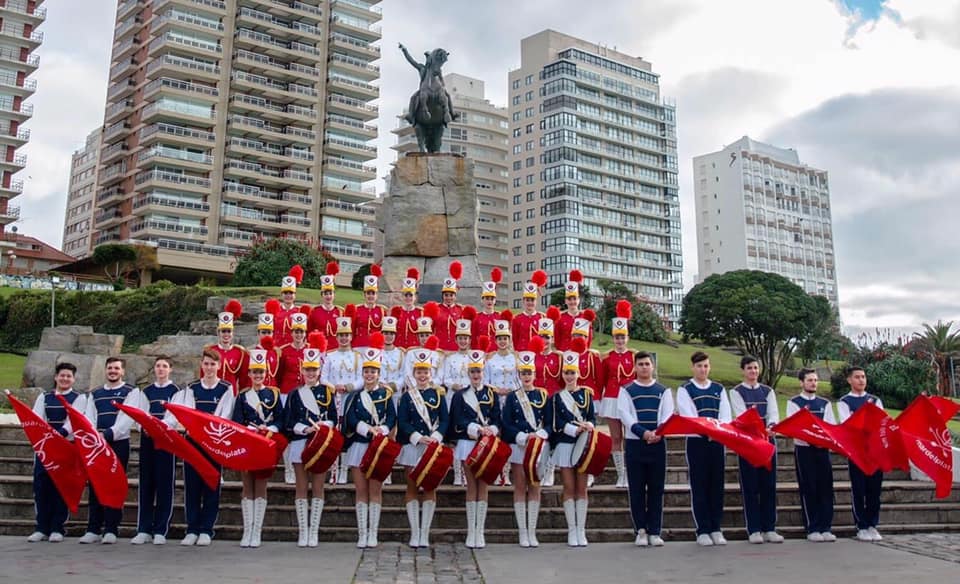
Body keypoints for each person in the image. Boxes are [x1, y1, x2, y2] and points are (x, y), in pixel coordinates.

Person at [171, 349, 236, 546]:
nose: (209, 368)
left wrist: (209, 432)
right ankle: (192, 529)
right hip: (193, 443)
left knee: (211, 485)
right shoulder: (191, 388)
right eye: (206, 364)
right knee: (192, 486)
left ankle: (207, 529)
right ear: (202, 365)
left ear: (219, 366)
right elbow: (188, 413)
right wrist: (196, 431)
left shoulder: (226, 388)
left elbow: (224, 416)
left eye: (212, 364)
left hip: (214, 443)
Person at [78, 357, 141, 545]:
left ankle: (111, 528)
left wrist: (108, 434)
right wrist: (94, 435)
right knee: (95, 484)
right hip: (97, 445)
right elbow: (89, 417)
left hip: (118, 443)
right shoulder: (95, 393)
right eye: (110, 368)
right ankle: (93, 528)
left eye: (116, 368)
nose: (113, 371)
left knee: (114, 485)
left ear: (123, 371)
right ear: (105, 370)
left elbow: (127, 417)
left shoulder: (131, 391)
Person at [27, 362, 91, 543]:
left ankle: (57, 527)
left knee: (62, 487)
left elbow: (75, 420)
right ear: (56, 377)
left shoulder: (79, 398)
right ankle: (41, 527)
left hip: (66, 447)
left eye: (69, 376)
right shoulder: (45, 397)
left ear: (73, 379)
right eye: (62, 375)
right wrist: (46, 437)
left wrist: (60, 434)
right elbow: (37, 417)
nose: (65, 379)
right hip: (45, 448)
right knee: (41, 487)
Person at [343, 339, 397, 548]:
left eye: (373, 371)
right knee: (361, 490)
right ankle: (362, 533)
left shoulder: (386, 395)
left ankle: (372, 532)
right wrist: (367, 429)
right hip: (359, 445)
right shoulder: (356, 397)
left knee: (375, 490)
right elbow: (352, 419)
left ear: (378, 373)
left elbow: (391, 417)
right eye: (366, 371)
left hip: (379, 445)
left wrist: (381, 430)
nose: (369, 375)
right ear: (362, 373)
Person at [617, 351, 674, 547]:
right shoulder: (626, 390)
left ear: (653, 366)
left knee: (657, 489)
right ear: (634, 367)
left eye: (647, 364)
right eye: (640, 364)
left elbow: (667, 416)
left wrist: (657, 432)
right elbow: (624, 414)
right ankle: (640, 529)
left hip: (658, 444)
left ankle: (655, 530)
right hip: (635, 443)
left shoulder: (663, 390)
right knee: (637, 488)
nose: (644, 367)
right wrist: (643, 433)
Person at [283, 347, 337, 547]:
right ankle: (302, 530)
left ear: (319, 371)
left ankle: (314, 530)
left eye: (314, 369)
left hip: (320, 443)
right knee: (301, 486)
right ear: (302, 370)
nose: (311, 373)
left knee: (318, 487)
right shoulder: (295, 394)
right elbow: (289, 421)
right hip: (300, 442)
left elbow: (332, 417)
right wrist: (304, 429)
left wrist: (324, 427)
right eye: (308, 369)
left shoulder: (327, 392)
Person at [676, 351, 732, 547]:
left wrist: (717, 430)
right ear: (693, 367)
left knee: (716, 485)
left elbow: (726, 415)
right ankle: (703, 529)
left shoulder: (718, 388)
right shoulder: (685, 389)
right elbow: (689, 416)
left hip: (717, 440)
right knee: (699, 485)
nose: (703, 369)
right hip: (697, 441)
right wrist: (706, 430)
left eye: (706, 366)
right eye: (699, 366)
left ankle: (716, 528)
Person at [397, 347, 449, 548]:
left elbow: (445, 419)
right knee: (411, 487)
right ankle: (414, 531)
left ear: (431, 374)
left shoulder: (438, 395)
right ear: (414, 374)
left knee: (429, 487)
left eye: (425, 371)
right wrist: (418, 437)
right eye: (419, 372)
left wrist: (435, 436)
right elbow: (402, 421)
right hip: (413, 445)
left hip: (432, 446)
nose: (422, 375)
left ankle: (424, 533)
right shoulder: (408, 396)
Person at [449, 350, 501, 549]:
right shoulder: (460, 395)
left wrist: (492, 429)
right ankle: (472, 530)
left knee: (484, 485)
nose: (476, 375)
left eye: (478, 371)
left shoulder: (491, 393)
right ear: (468, 373)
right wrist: (475, 428)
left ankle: (480, 531)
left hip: (487, 442)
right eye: (472, 371)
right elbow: (457, 418)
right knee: (472, 485)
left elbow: (497, 417)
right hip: (468, 443)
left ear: (483, 371)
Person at [232, 349, 284, 548]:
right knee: (247, 485)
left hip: (266, 442)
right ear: (249, 374)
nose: (257, 376)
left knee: (261, 485)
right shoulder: (244, 397)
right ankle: (247, 529)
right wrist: (249, 429)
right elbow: (237, 420)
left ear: (266, 373)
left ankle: (257, 531)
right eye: (254, 372)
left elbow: (280, 418)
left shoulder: (273, 394)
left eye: (261, 372)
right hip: (248, 442)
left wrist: (269, 428)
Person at [729, 355, 783, 544]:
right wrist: (756, 430)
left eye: (756, 368)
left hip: (767, 442)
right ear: (743, 370)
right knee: (750, 487)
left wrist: (771, 426)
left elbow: (773, 413)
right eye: (750, 368)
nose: (753, 371)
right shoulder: (736, 392)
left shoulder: (768, 391)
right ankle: (754, 529)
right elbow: (741, 416)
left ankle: (770, 527)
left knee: (768, 486)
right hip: (748, 443)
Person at [500, 351, 550, 548]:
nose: (527, 376)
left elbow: (549, 422)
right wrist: (522, 437)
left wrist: (540, 435)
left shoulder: (542, 395)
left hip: (537, 446)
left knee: (535, 486)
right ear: (519, 375)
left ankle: (532, 530)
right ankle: (523, 531)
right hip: (519, 445)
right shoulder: (513, 398)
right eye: (523, 373)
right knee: (520, 486)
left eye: (530, 372)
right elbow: (507, 422)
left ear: (535, 374)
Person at [131, 356, 180, 546]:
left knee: (165, 485)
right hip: (148, 440)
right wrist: (144, 425)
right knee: (146, 483)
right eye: (158, 366)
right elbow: (140, 413)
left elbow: (173, 416)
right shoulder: (147, 391)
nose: (161, 369)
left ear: (170, 369)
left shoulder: (176, 391)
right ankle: (144, 528)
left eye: (164, 366)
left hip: (166, 441)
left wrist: (157, 426)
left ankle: (160, 529)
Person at [550, 351, 596, 547]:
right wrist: (572, 429)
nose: (569, 376)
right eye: (566, 373)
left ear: (578, 373)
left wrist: (588, 426)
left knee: (582, 487)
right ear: (562, 375)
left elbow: (592, 417)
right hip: (566, 443)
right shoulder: (557, 397)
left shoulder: (587, 394)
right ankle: (571, 529)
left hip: (583, 445)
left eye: (572, 372)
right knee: (569, 487)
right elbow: (556, 422)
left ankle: (581, 529)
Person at [786, 368, 837, 543]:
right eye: (809, 380)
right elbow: (794, 426)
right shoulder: (794, 402)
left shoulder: (825, 403)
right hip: (804, 449)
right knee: (809, 487)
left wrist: (822, 440)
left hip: (822, 449)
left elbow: (830, 426)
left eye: (815, 380)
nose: (813, 383)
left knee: (825, 487)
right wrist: (810, 439)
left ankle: (826, 526)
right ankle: (812, 526)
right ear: (801, 382)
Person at [837, 365, 884, 542]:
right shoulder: (844, 402)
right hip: (857, 452)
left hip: (874, 452)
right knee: (859, 489)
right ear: (850, 380)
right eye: (857, 377)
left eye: (863, 377)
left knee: (874, 490)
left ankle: (872, 524)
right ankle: (861, 525)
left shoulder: (874, 400)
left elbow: (881, 422)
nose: (861, 380)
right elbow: (847, 424)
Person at [321, 316, 362, 484]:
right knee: (334, 432)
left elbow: (361, 378)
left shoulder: (357, 357)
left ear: (351, 336)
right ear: (336, 337)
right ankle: (333, 468)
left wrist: (349, 387)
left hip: (350, 399)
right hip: (334, 398)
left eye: (347, 335)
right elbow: (323, 378)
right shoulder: (330, 356)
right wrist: (334, 386)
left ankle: (344, 469)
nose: (344, 338)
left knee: (348, 431)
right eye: (341, 335)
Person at [599, 306, 635, 488]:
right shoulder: (607, 358)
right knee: (615, 438)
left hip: (629, 400)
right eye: (617, 337)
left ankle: (630, 473)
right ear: (613, 338)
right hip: (612, 399)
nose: (620, 340)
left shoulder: (634, 356)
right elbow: (601, 380)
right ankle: (621, 474)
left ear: (627, 338)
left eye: (622, 337)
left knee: (630, 437)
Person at [276, 313, 314, 485]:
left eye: (301, 331)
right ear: (291, 332)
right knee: (288, 430)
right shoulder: (284, 351)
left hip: (305, 393)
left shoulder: (311, 350)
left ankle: (304, 465)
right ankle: (288, 468)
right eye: (296, 331)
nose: (298, 334)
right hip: (287, 392)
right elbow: (279, 373)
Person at [205, 302, 248, 395]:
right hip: (213, 392)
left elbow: (243, 379)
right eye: (223, 331)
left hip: (231, 394)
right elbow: (203, 374)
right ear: (218, 332)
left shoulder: (239, 352)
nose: (226, 334)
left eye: (229, 331)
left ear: (232, 333)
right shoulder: (210, 350)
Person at [350, 265, 386, 351]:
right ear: (364, 295)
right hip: (359, 345)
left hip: (375, 346)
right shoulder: (357, 309)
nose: (371, 296)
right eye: (368, 293)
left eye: (373, 293)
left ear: (376, 295)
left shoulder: (382, 310)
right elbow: (352, 329)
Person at [555, 270, 593, 351]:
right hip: (564, 354)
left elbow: (589, 338)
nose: (572, 302)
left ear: (579, 300)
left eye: (574, 299)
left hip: (580, 354)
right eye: (569, 299)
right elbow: (557, 340)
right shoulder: (560, 317)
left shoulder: (584, 317)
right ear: (565, 301)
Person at [308, 262, 342, 350]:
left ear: (334, 295)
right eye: (325, 294)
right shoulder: (315, 311)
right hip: (319, 350)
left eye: (330, 293)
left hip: (335, 350)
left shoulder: (340, 312)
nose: (328, 296)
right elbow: (309, 331)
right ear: (321, 295)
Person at [511, 270, 546, 351]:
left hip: (538, 354)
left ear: (536, 301)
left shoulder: (542, 317)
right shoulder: (517, 319)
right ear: (523, 301)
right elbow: (515, 339)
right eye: (527, 300)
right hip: (522, 354)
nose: (530, 303)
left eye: (532, 300)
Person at [435, 261, 465, 352]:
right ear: (442, 296)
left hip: (456, 349)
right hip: (439, 349)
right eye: (446, 295)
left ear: (455, 296)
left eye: (451, 295)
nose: (448, 298)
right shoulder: (436, 309)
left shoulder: (461, 310)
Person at [391, 268, 422, 350]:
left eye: (410, 295)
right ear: (402, 297)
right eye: (406, 295)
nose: (408, 298)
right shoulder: (396, 311)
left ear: (415, 297)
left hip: (414, 349)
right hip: (398, 349)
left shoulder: (420, 312)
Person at [273, 266, 304, 347]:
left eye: (291, 293)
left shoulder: (299, 312)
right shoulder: (275, 310)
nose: (288, 296)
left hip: (293, 350)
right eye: (285, 293)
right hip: (276, 349)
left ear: (295, 295)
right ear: (281, 294)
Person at [472, 270, 501, 347]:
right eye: (487, 298)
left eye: (492, 299)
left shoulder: (499, 317)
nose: (489, 301)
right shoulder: (477, 317)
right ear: (482, 300)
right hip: (481, 352)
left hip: (496, 353)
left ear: (495, 300)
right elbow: (474, 338)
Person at [380, 316, 406, 399]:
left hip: (395, 394)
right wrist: (379, 384)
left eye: (392, 334)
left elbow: (404, 374)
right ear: (381, 334)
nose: (389, 336)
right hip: (379, 391)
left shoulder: (401, 353)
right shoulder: (375, 353)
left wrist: (393, 386)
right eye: (386, 333)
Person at [252, 314, 280, 388]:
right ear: (258, 334)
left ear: (272, 334)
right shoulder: (252, 353)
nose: (267, 335)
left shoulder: (276, 352)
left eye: (269, 332)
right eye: (263, 332)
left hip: (273, 391)